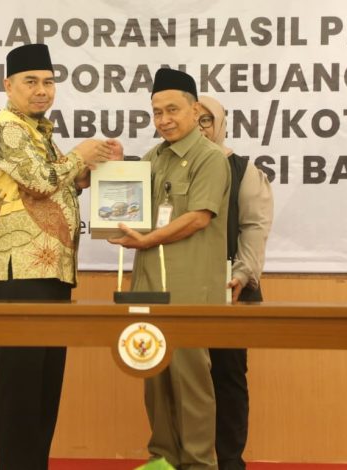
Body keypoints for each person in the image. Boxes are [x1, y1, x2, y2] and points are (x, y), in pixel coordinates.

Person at [0, 43, 121, 470]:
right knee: (21, 386)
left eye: (48, 82)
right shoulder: (8, 128)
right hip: (19, 271)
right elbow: (41, 181)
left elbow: (57, 185)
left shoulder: (38, 130)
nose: (41, 90)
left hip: (51, 270)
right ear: (8, 85)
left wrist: (90, 174)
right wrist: (80, 156)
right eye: (31, 82)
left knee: (44, 386)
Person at [108, 68, 230, 470]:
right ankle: (163, 458)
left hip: (190, 288)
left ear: (195, 111)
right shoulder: (153, 158)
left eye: (173, 110)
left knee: (190, 380)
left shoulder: (210, 158)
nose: (164, 120)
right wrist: (115, 175)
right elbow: (129, 205)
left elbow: (198, 217)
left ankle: (199, 463)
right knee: (153, 372)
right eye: (157, 112)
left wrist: (148, 240)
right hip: (148, 283)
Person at [197, 95, 274, 470]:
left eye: (206, 120)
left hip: (231, 289)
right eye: (193, 119)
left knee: (227, 375)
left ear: (220, 124)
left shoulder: (242, 169)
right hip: (183, 291)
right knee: (181, 377)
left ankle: (229, 460)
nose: (200, 128)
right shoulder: (167, 165)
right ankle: (186, 458)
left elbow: (254, 227)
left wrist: (242, 273)